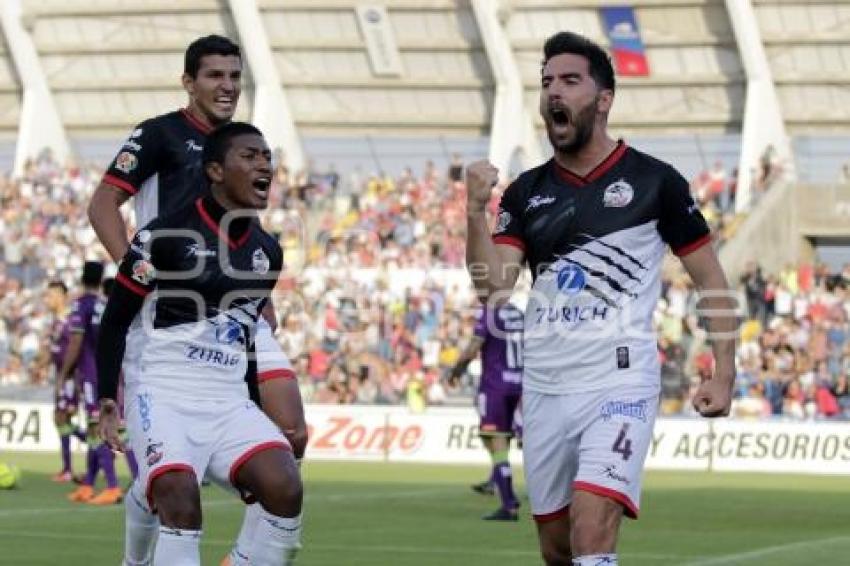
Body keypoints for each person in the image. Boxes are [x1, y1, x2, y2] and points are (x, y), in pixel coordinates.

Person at [464, 31, 736, 565]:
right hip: (545, 387)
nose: (554, 93)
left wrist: (724, 369)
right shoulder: (524, 193)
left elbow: (711, 279)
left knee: (593, 529)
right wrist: (474, 211)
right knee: (559, 548)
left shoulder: (656, 182)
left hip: (619, 379)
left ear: (604, 97)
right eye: (546, 84)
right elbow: (494, 288)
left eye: (569, 80)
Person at [86, 35, 306, 565]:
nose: (227, 86)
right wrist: (139, 276)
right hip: (166, 312)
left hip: (232, 310)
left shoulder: (242, 147)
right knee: (175, 488)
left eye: (234, 76)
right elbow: (102, 205)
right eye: (215, 76)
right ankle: (150, 508)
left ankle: (243, 553)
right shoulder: (159, 134)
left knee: (291, 435)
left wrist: (255, 298)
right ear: (189, 82)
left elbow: (243, 228)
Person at [450, 301, 523, 521]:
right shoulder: (518, 313)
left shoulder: (490, 313)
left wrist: (457, 369)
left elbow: (475, 345)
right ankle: (499, 483)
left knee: (494, 441)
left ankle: (508, 503)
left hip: (496, 387)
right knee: (504, 440)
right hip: (521, 384)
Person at [64, 261, 124, 505]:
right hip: (106, 371)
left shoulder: (81, 305)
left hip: (90, 373)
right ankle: (88, 484)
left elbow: (76, 342)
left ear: (81, 278)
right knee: (93, 429)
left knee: (94, 430)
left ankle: (112, 486)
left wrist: (65, 373)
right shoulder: (104, 304)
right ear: (101, 280)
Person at [41, 280, 84, 483]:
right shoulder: (55, 320)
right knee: (61, 419)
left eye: (49, 296)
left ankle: (99, 444)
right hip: (59, 376)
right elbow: (55, 349)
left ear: (60, 296)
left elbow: (76, 349)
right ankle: (68, 467)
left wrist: (70, 377)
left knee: (62, 417)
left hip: (68, 377)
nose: (46, 300)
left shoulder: (70, 319)